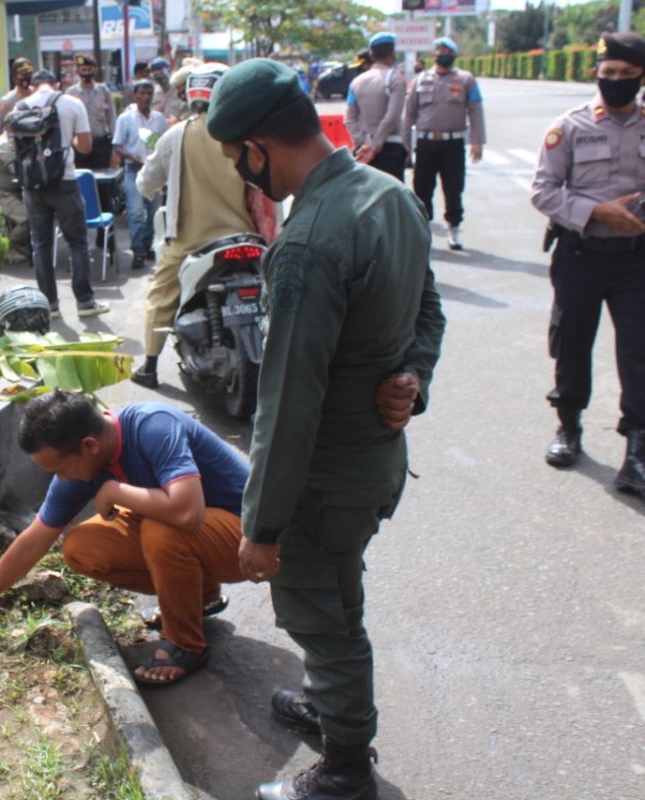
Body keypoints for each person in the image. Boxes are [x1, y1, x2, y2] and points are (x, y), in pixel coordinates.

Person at [207, 59, 445, 800]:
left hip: (324, 481)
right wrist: (414, 377)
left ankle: (344, 768)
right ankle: (327, 702)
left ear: (257, 146)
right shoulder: (389, 197)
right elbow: (427, 312)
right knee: (337, 594)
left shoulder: (308, 241)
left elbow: (287, 399)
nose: (246, 179)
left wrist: (262, 523)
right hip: (373, 465)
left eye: (238, 162)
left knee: (323, 614)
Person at [0, 390, 253, 685]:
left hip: (248, 539)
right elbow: (34, 541)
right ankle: (200, 597)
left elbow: (187, 512)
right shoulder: (81, 464)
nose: (61, 479)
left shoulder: (153, 426)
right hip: (199, 534)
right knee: (82, 548)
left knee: (161, 530)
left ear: (89, 445)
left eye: (60, 469)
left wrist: (113, 491)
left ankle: (185, 645)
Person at [529, 31, 645, 494]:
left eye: (626, 75)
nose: (615, 81)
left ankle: (637, 446)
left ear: (640, 77)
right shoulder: (569, 127)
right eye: (608, 73)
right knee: (572, 340)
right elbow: (543, 190)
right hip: (580, 254)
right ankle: (569, 426)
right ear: (597, 72)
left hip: (637, 260)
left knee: (639, 351)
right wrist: (598, 211)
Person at [131, 63, 267, 389]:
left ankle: (149, 366)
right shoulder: (241, 133)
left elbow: (145, 183)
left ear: (193, 95)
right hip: (243, 236)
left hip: (190, 241)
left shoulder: (176, 135)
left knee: (160, 295)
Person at [15, 70, 110, 318]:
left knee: (41, 245)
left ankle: (50, 306)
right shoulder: (71, 103)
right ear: (56, 84)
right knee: (77, 242)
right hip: (64, 181)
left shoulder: (21, 106)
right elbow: (86, 147)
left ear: (33, 86)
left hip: (33, 185)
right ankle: (85, 303)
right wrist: (68, 142)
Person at [404, 36, 486, 251]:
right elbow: (409, 114)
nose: (444, 56)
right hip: (426, 143)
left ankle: (454, 228)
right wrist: (405, 145)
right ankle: (424, 229)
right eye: (440, 52)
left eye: (448, 53)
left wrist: (477, 141)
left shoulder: (466, 80)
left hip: (453, 143)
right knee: (422, 187)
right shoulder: (420, 80)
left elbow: (476, 111)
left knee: (454, 187)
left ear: (454, 56)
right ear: (433, 55)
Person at [113, 80, 168, 270]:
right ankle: (137, 251)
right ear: (134, 95)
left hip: (155, 170)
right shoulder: (125, 118)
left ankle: (147, 246)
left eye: (149, 93)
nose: (146, 97)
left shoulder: (159, 119)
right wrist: (130, 156)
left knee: (154, 213)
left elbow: (163, 143)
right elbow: (117, 145)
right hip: (133, 170)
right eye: (142, 93)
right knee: (136, 213)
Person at [345, 31, 407, 182]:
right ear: (392, 53)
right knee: (392, 201)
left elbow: (349, 119)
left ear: (372, 55)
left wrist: (363, 144)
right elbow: (391, 118)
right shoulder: (395, 79)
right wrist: (375, 146)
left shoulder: (357, 82)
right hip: (390, 147)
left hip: (363, 151)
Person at [0, 131, 30, 262]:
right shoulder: (4, 146)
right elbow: (21, 171)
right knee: (28, 218)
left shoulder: (9, 141)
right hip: (0, 195)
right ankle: (5, 247)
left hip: (11, 193)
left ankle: (17, 245)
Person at [67, 55, 116, 170]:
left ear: (95, 70)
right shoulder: (70, 93)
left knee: (103, 180)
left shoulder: (103, 91)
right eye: (83, 70)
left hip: (100, 142)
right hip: (79, 144)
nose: (86, 73)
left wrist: (115, 146)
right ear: (77, 71)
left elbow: (112, 119)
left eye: (89, 69)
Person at [0, 57, 35, 137]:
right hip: (16, 145)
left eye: (28, 74)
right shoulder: (6, 101)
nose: (26, 78)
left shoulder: (37, 95)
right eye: (22, 74)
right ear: (14, 78)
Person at [149, 56, 183, 120]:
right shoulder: (153, 92)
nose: (157, 73)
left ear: (168, 70)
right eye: (154, 71)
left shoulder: (178, 89)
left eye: (160, 70)